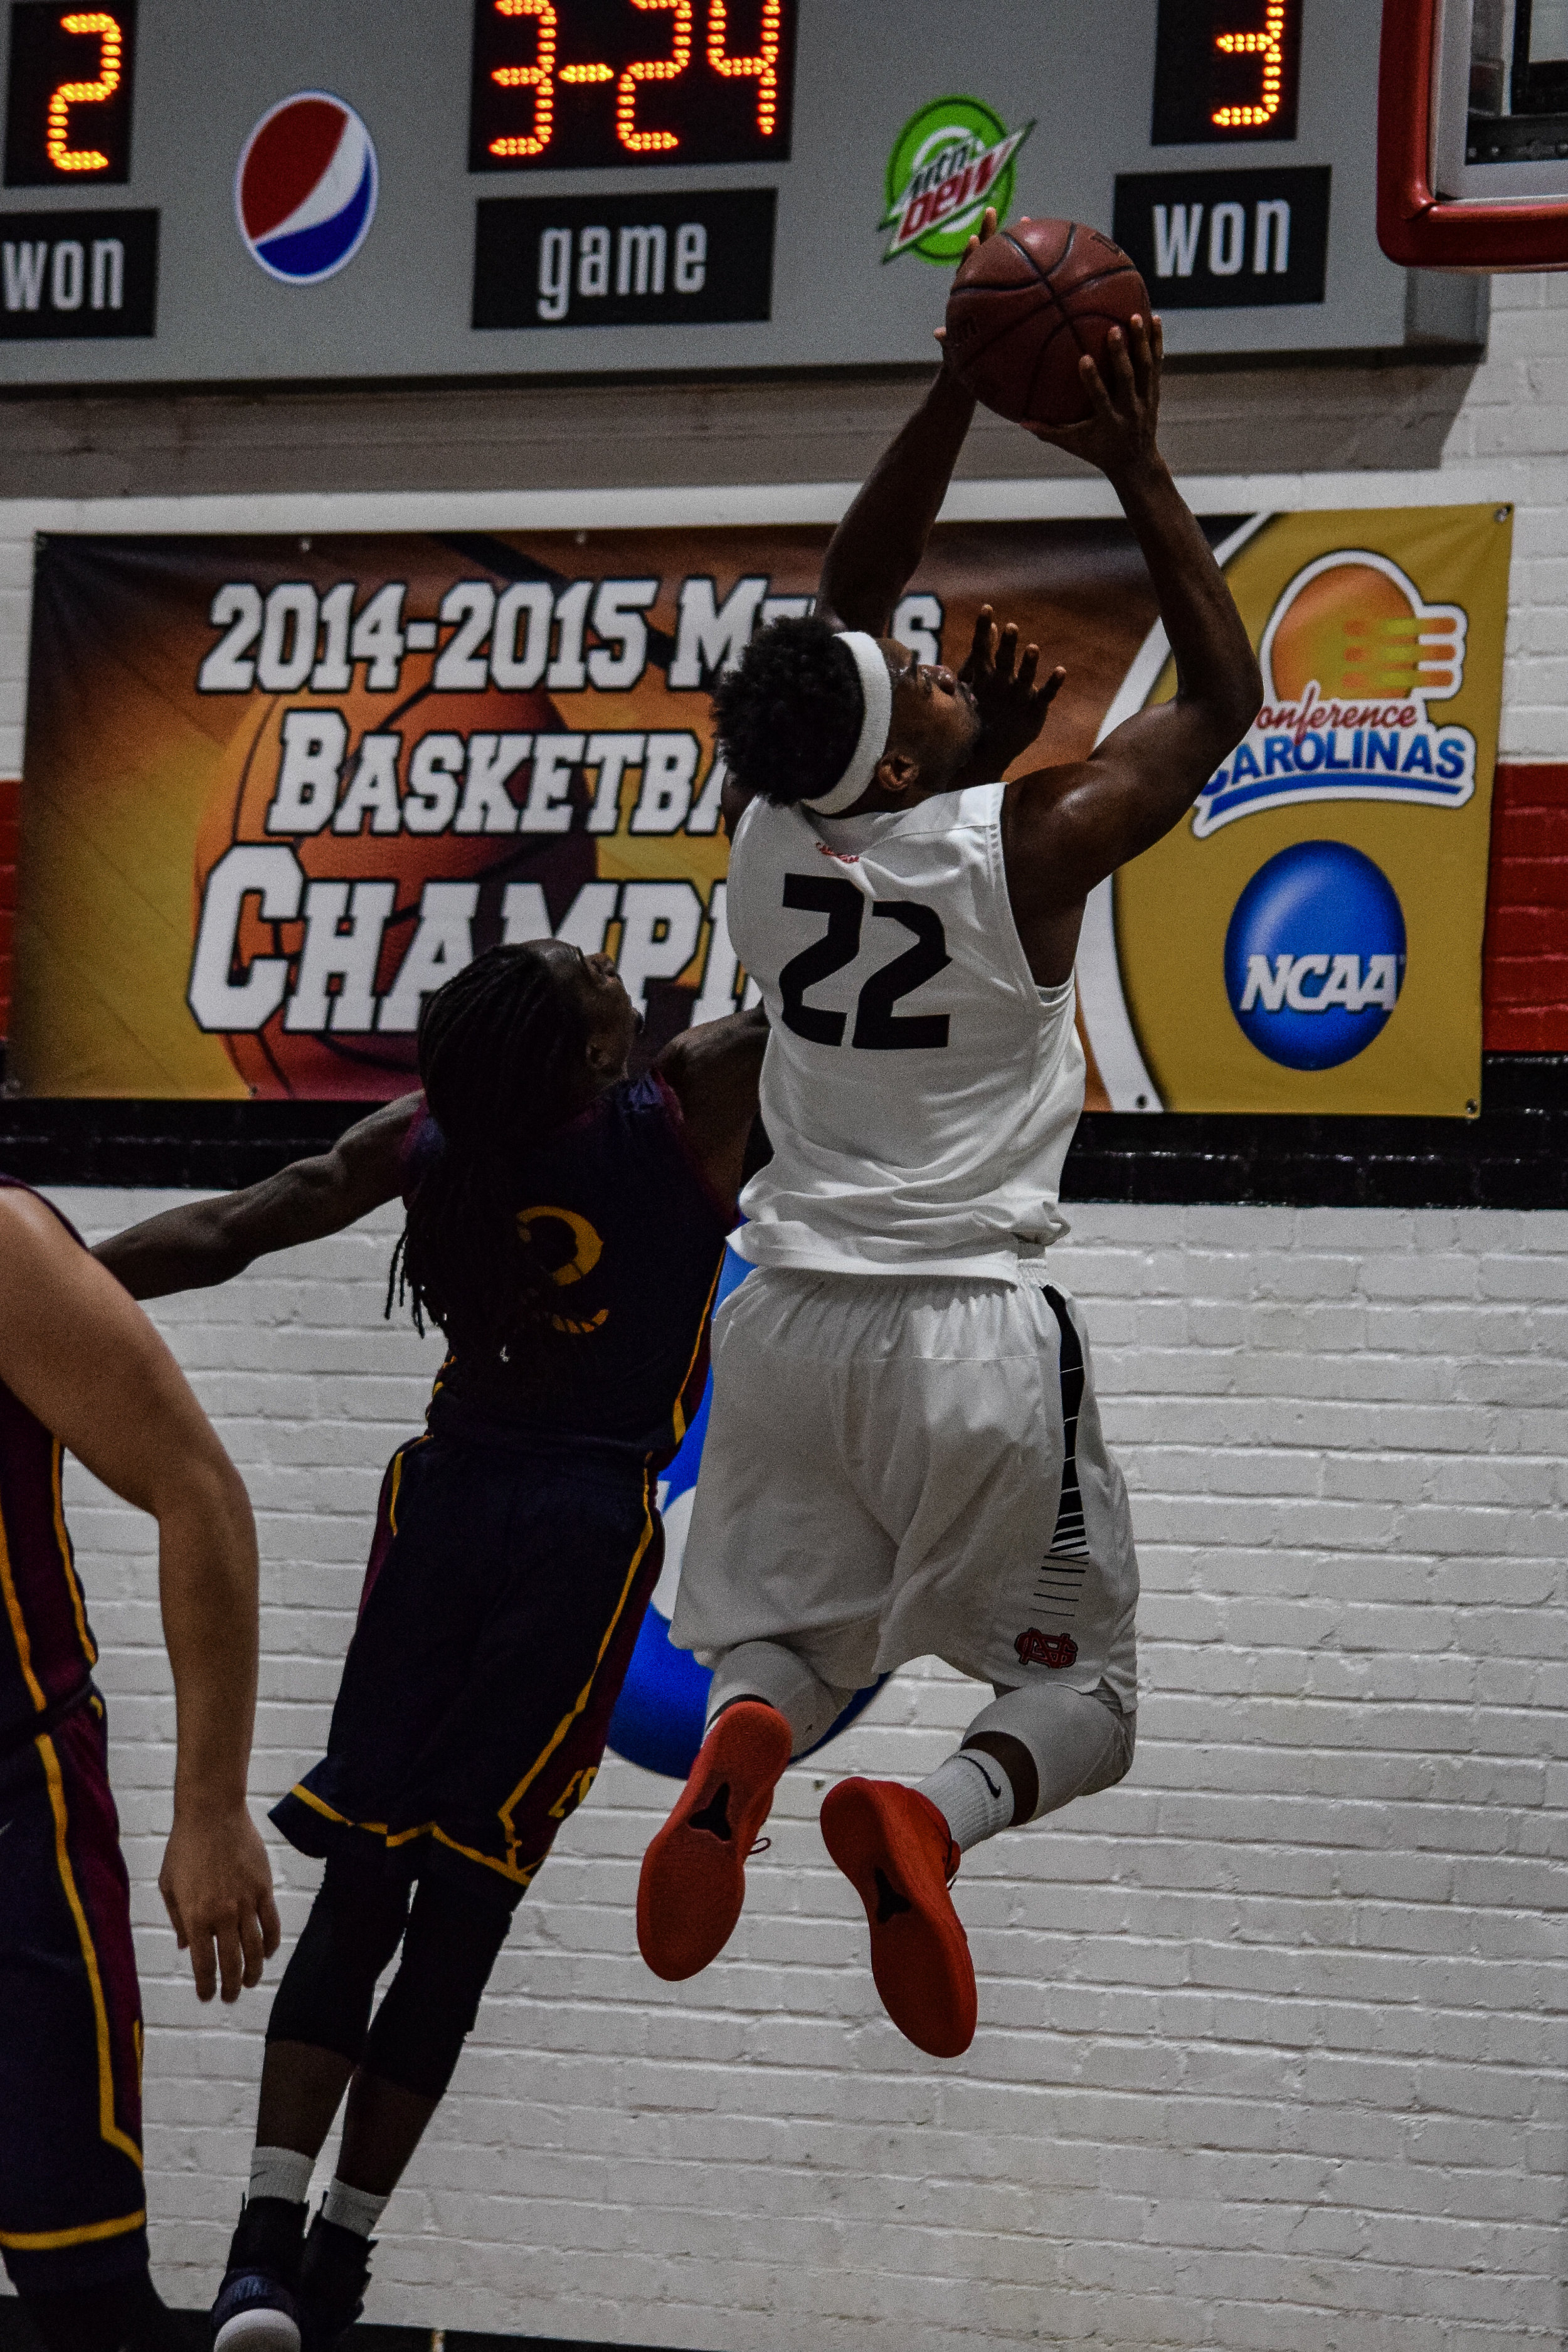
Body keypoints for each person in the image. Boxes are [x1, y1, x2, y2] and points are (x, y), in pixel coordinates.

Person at [637, 248, 1263, 2059]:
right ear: (904, 756)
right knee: (1091, 1688)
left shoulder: (765, 836)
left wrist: (951, 391)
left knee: (780, 1648)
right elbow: (1220, 703)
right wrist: (1131, 458)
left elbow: (841, 608)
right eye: (908, 670)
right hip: (967, 1333)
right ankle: (933, 1811)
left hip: (783, 1326)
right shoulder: (1031, 842)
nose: (917, 648)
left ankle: (749, 1747)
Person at [95, 943, 769, 2352]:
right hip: (580, 1527)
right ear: (592, 1056)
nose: (596, 964)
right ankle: (331, 2264)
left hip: (445, 1504)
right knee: (460, 1904)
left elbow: (231, 1228)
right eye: (584, 976)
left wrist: (50, 1297)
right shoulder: (693, 1096)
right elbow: (843, 982)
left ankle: (262, 2259)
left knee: (370, 1872)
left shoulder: (429, 1134)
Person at [0, 1178, 277, 2352]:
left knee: (86, 2289)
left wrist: (209, 1804)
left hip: (15, 1814)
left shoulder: (6, 1246)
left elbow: (196, 1487)